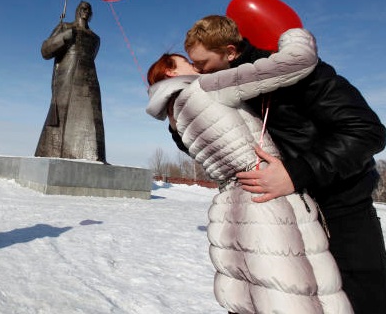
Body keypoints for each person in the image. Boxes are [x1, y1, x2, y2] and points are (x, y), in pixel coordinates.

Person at [174, 15, 386, 314]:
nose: (198, 71)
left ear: (229, 52)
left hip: (339, 217)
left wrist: (297, 172)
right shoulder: (224, 88)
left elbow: (366, 131)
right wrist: (179, 127)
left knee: (356, 303)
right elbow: (225, 149)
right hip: (276, 221)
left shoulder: (300, 74)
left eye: (202, 63)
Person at [148, 28, 353, 313]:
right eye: (186, 62)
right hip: (267, 195)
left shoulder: (176, 116)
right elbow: (296, 63)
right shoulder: (206, 87)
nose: (196, 66)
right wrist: (295, 37)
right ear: (170, 72)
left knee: (251, 298)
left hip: (233, 205)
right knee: (294, 295)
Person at [35, 0, 106, 163]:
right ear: (77, 10)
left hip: (89, 80)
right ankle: (53, 153)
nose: (86, 11)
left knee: (92, 121)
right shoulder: (65, 27)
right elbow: (45, 51)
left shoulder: (96, 39)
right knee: (60, 120)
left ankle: (93, 157)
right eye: (83, 8)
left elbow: (91, 56)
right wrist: (62, 37)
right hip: (67, 78)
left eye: (89, 9)